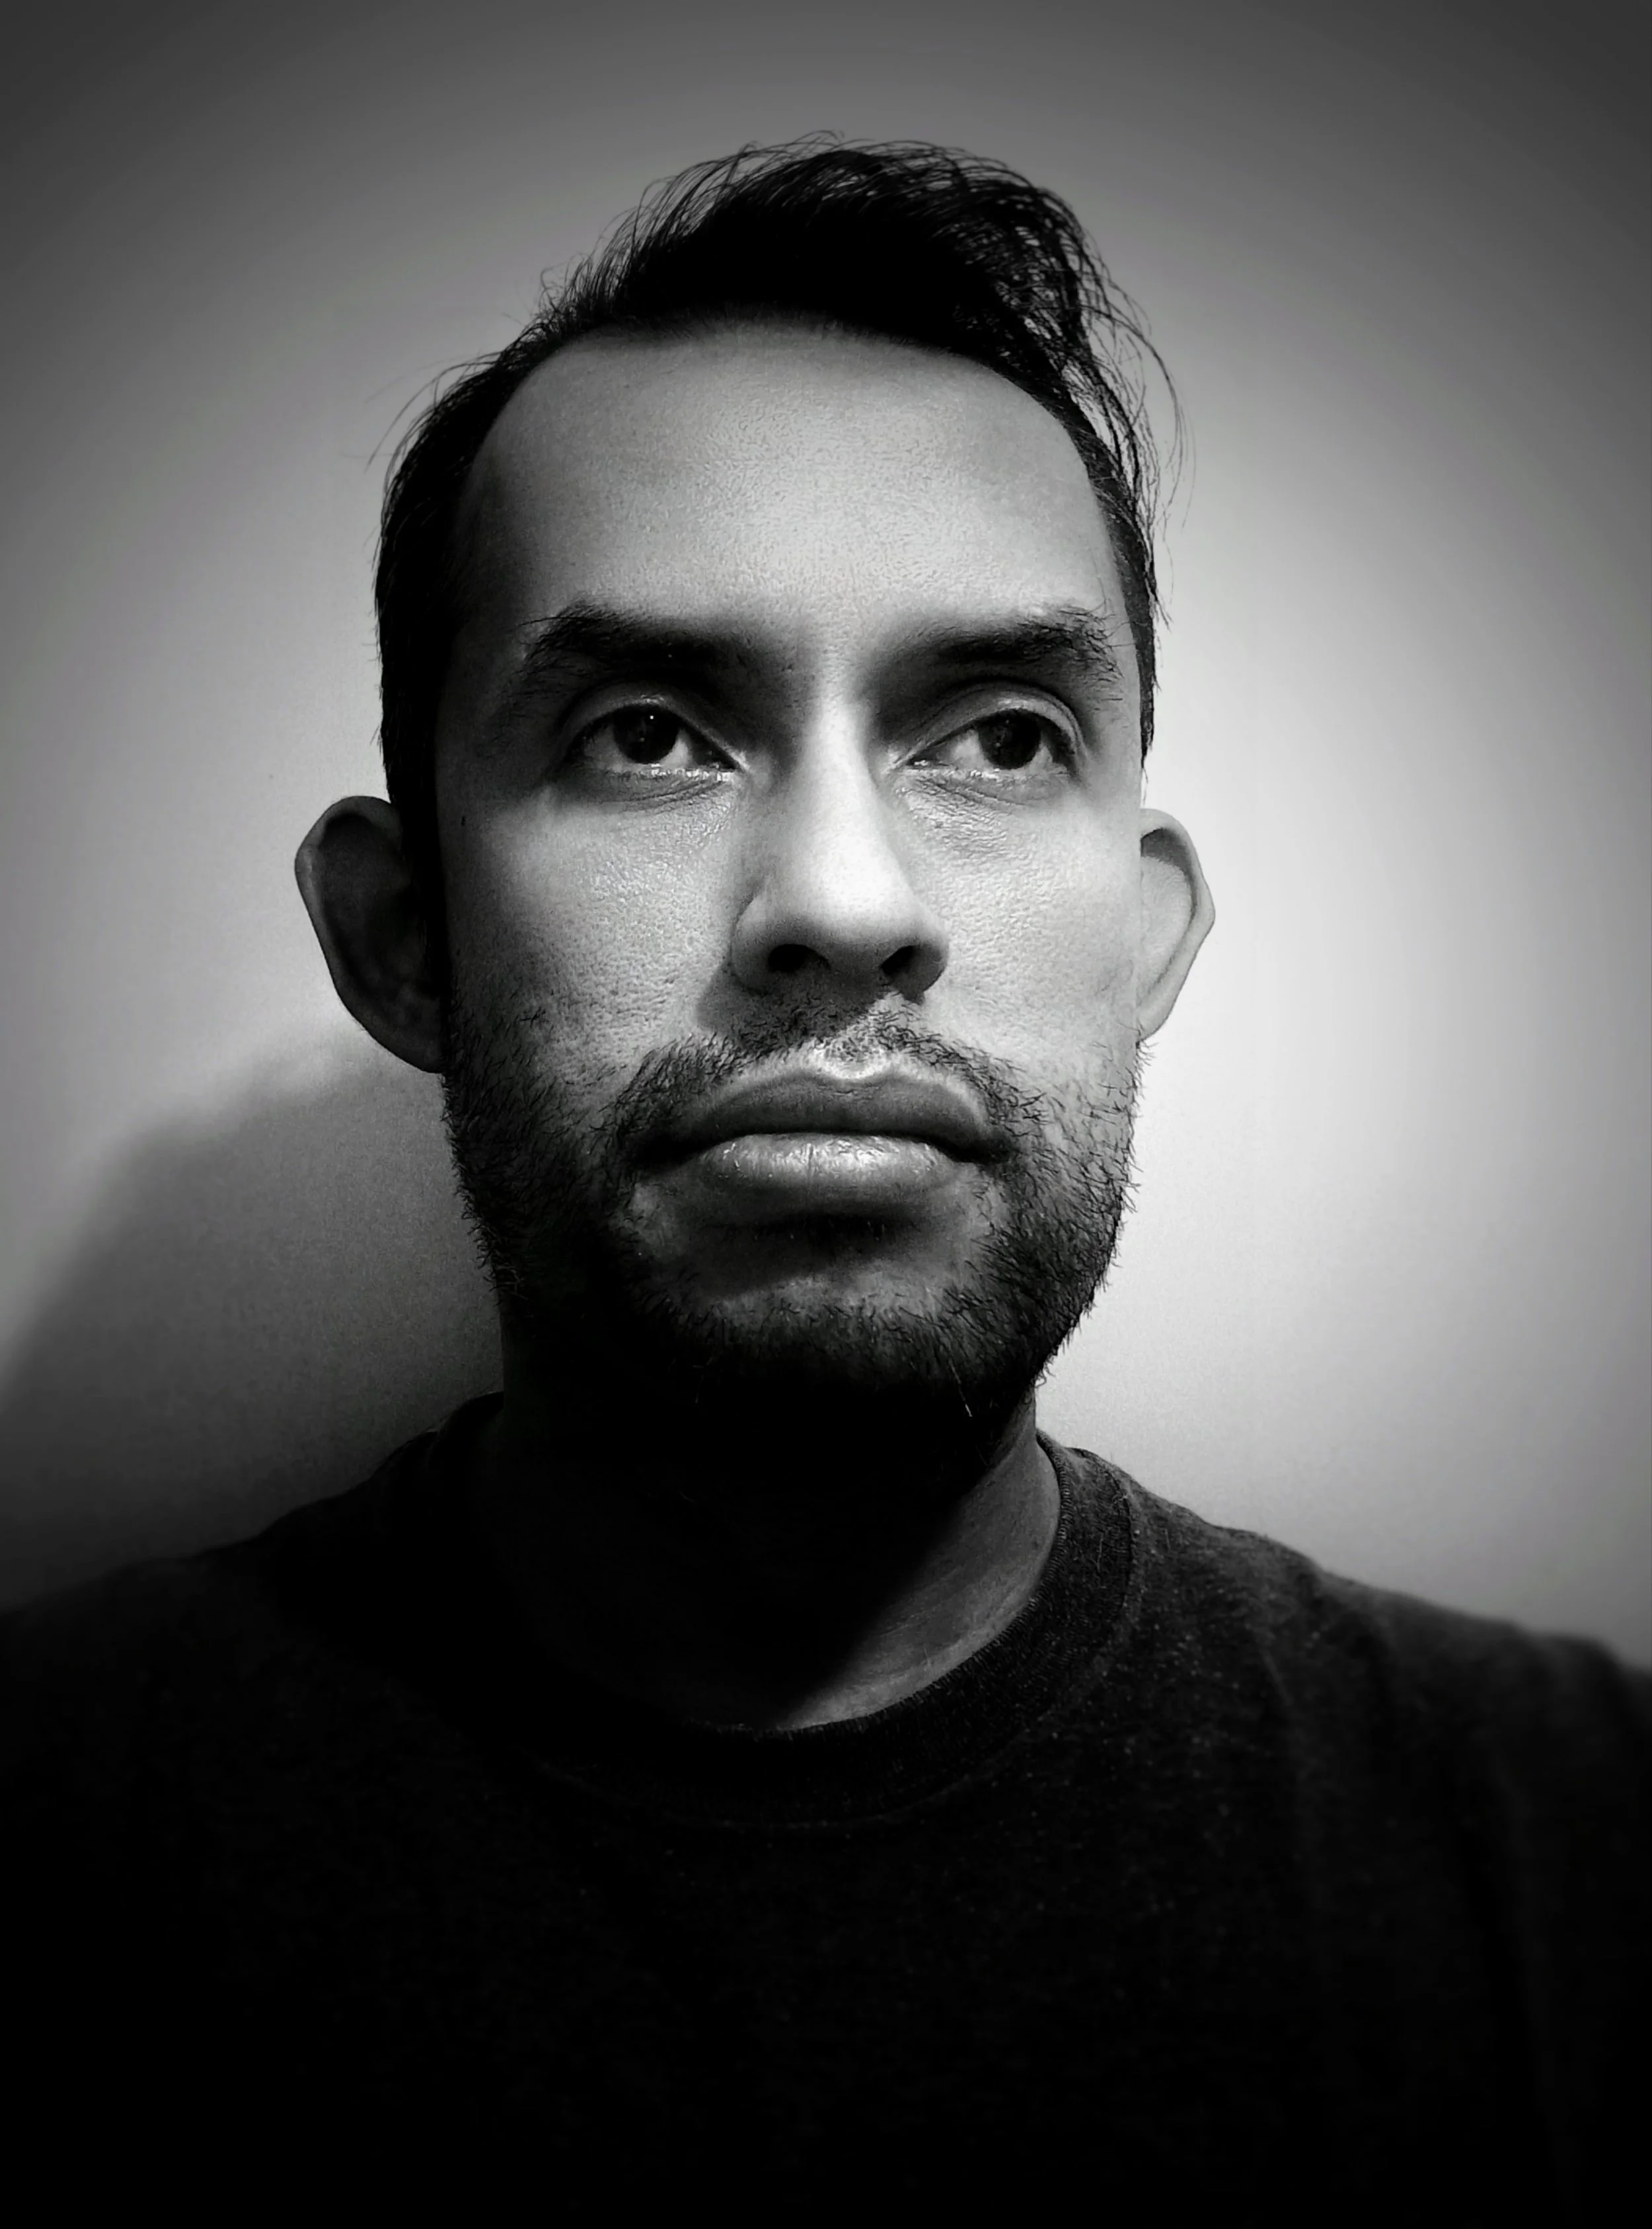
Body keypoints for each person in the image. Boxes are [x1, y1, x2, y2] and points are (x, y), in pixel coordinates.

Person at [4, 141, 1645, 2218]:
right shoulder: (50, 1826)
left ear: (1144, 940)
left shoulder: (1580, 1840)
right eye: (645, 733)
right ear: (407, 936)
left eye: (1000, 736)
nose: (845, 903)